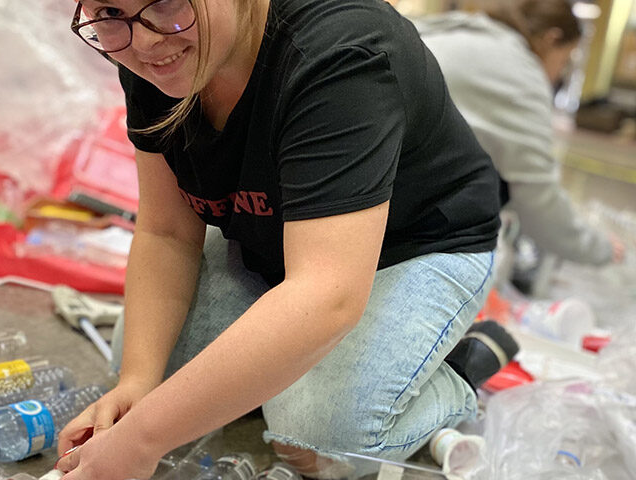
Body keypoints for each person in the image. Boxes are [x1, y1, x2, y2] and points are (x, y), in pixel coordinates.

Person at [56, 0, 504, 478]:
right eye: (109, 12)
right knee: (151, 376)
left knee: (316, 442)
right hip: (280, 238)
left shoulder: (340, 54)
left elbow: (326, 294)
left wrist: (143, 439)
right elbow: (167, 232)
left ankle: (462, 367)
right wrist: (137, 383)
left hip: (419, 243)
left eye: (165, 2)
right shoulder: (152, 51)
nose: (145, 41)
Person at [414, 0, 625, 272]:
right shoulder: (518, 72)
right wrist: (600, 248)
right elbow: (538, 202)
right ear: (551, 39)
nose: (559, 73)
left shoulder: (456, 29)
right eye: (564, 60)